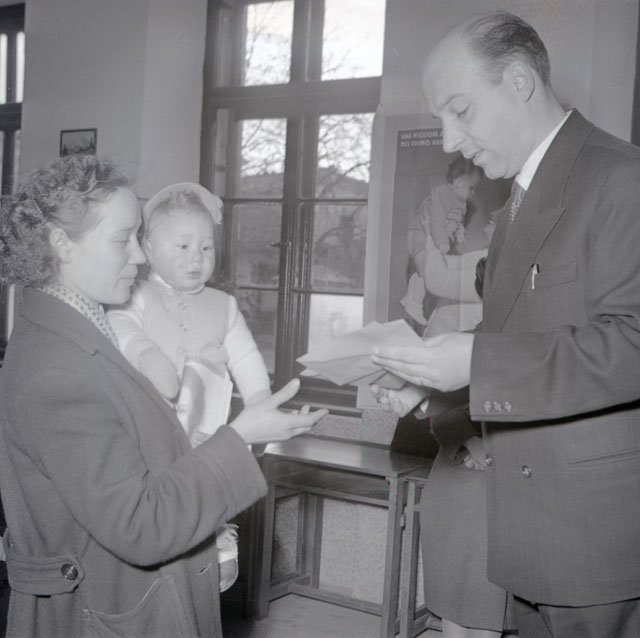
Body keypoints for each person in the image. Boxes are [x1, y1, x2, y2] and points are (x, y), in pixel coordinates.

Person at [371, 10, 640, 638]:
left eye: (460, 111)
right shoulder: (520, 196)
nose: (448, 140)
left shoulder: (620, 178)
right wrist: (436, 385)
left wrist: (472, 363)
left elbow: (633, 341)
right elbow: (520, 337)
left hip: (594, 541)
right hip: (525, 532)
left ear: (519, 81)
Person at [0, 154, 327, 638]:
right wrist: (239, 437)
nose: (139, 255)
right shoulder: (56, 371)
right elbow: (140, 525)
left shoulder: (78, 327)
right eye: (123, 239)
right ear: (61, 244)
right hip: (105, 613)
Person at [107, 182, 271, 592]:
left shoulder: (223, 305)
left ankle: (218, 533)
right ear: (148, 249)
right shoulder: (136, 294)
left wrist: (259, 401)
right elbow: (119, 327)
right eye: (182, 246)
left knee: (210, 477)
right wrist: (147, 354)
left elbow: (246, 358)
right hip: (151, 420)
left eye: (206, 247)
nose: (196, 257)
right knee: (157, 492)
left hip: (204, 418)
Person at [401, 154, 484, 330]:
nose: (473, 193)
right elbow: (437, 220)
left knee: (423, 271)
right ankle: (413, 303)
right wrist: (441, 242)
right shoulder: (442, 194)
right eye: (471, 188)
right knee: (426, 273)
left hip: (426, 236)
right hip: (420, 235)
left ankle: (412, 300)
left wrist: (459, 231)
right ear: (458, 182)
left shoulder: (459, 201)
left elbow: (455, 220)